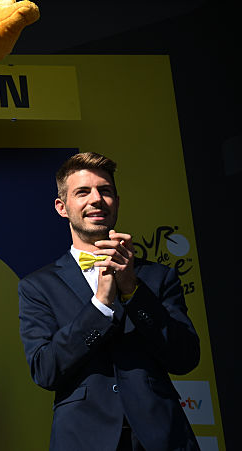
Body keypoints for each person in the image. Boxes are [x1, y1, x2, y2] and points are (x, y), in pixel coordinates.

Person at [17, 152, 200, 451]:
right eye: (83, 192)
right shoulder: (37, 287)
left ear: (116, 201)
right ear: (62, 207)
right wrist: (100, 305)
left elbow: (185, 358)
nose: (96, 199)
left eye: (105, 190)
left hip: (162, 436)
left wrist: (133, 291)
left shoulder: (159, 277)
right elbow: (45, 369)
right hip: (82, 439)